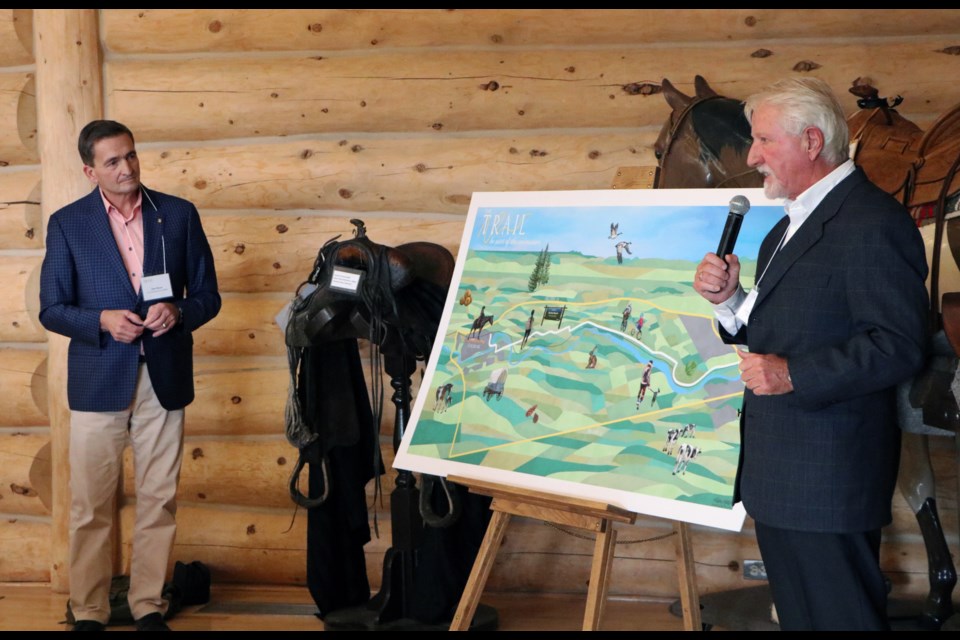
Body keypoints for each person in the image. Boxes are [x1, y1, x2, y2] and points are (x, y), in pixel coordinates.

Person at [692, 78, 929, 630]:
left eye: (764, 141)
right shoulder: (783, 228)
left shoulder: (873, 222)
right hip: (782, 477)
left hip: (829, 480)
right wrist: (730, 302)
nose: (752, 157)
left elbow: (898, 345)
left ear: (812, 142)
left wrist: (794, 374)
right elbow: (783, 329)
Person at [39, 120, 221, 632]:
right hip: (99, 379)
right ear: (89, 170)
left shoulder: (179, 215)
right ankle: (91, 611)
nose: (127, 169)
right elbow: (51, 309)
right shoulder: (68, 223)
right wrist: (100, 320)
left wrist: (179, 312)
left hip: (163, 377)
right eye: (113, 162)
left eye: (131, 157)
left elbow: (209, 296)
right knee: (91, 505)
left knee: (159, 499)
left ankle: (147, 606)